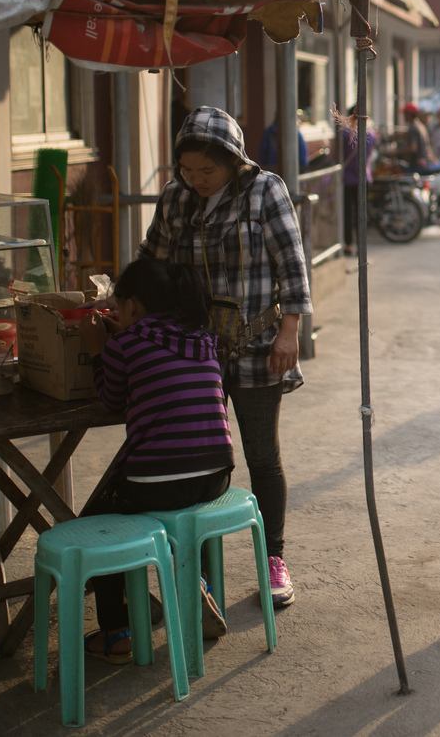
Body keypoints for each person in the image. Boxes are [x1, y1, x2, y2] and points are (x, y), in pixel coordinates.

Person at [138, 106, 309, 608]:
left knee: (262, 456)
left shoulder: (266, 190)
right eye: (187, 171)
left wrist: (290, 332)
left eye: (206, 171)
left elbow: (292, 264)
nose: (196, 180)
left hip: (259, 346)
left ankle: (273, 560)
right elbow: (154, 260)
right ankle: (203, 573)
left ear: (233, 161)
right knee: (205, 460)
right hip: (193, 355)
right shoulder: (176, 199)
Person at [83, 257, 233, 663]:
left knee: (98, 525)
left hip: (159, 479)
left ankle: (117, 633)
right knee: (176, 509)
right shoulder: (203, 338)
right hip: (217, 473)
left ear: (134, 307)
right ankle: (194, 585)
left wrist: (100, 350)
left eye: (117, 305)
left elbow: (110, 398)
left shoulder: (126, 345)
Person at [335, 105, 376, 257]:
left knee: (347, 212)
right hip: (363, 178)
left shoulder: (345, 134)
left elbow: (337, 155)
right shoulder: (371, 134)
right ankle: (361, 245)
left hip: (347, 178)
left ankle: (348, 244)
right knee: (361, 213)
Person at [390, 103, 440, 173]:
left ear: (409, 114)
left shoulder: (413, 128)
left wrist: (395, 152)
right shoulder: (420, 125)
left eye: (405, 114)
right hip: (425, 161)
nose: (404, 117)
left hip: (417, 165)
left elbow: (413, 148)